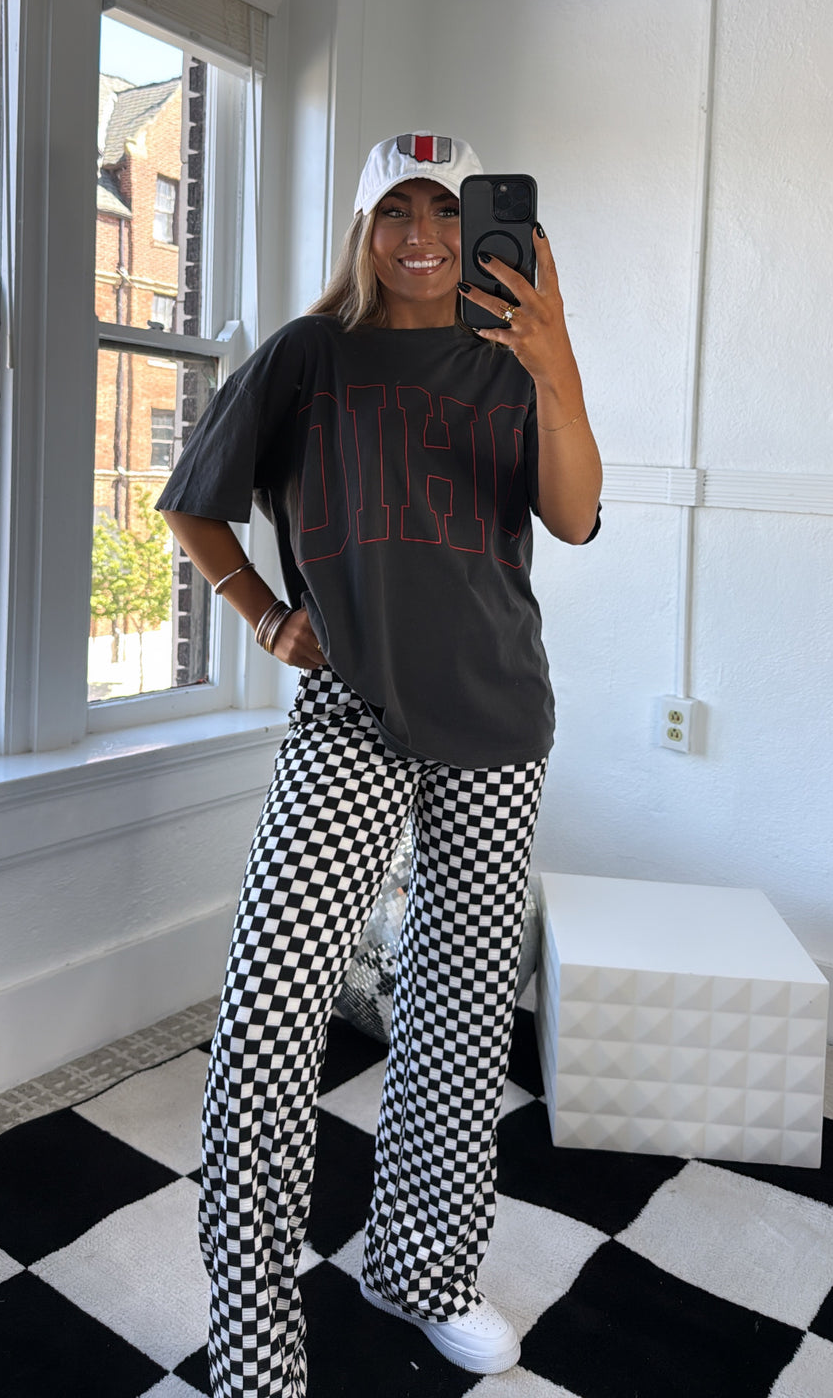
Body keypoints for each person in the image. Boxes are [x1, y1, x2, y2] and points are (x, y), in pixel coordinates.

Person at [158, 133, 602, 1398]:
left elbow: (573, 516)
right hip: (349, 712)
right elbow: (194, 502)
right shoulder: (309, 356)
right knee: (266, 1017)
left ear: (483, 230)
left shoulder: (514, 358)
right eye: (396, 211)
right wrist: (263, 614)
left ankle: (422, 1271)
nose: (423, 236)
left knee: (458, 1020)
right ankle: (255, 1342)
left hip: (496, 719)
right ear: (363, 229)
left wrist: (555, 358)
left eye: (448, 212)